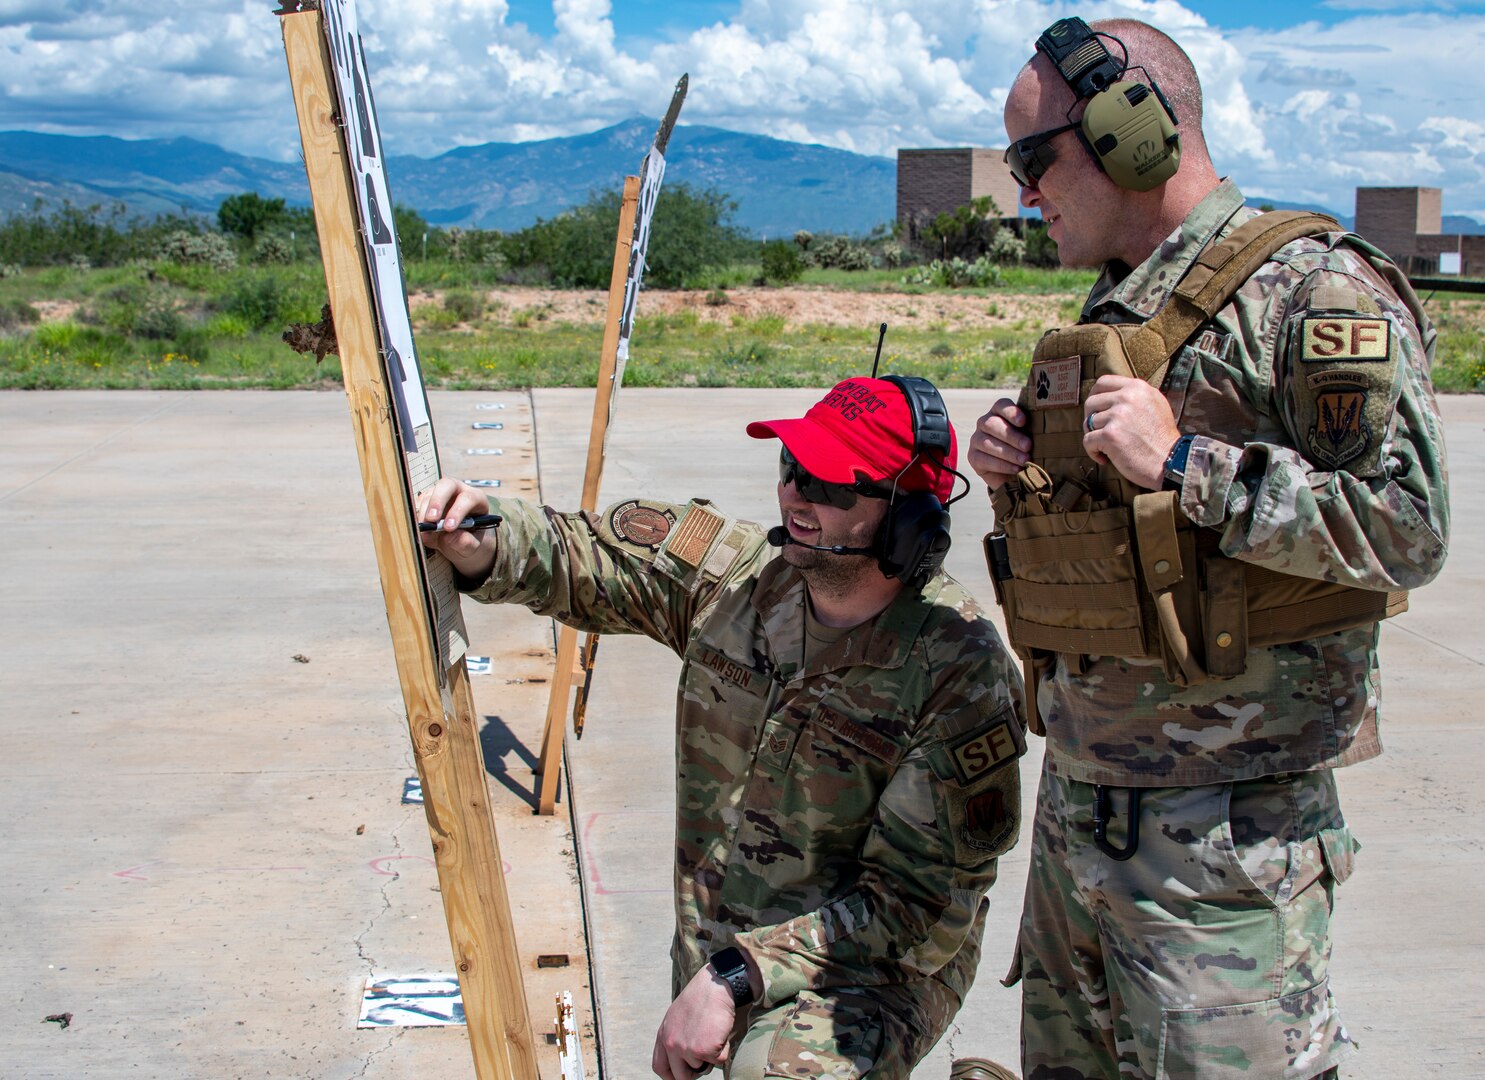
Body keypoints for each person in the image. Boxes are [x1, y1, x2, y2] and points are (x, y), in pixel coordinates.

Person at [968, 15, 1449, 1080]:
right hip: (1084, 817)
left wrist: (1187, 464)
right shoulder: (1113, 311)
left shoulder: (1312, 295)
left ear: (1132, 135)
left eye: (1032, 161)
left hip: (1224, 844)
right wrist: (1021, 465)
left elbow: (1407, 527)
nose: (1023, 196)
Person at [419, 376, 1027, 1079]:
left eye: (831, 487)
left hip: (869, 971)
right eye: (791, 470)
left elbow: (920, 908)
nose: (797, 496)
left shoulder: (957, 672)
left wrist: (738, 976)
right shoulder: (736, 581)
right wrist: (483, 536)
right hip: (725, 950)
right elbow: (585, 553)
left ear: (907, 520)